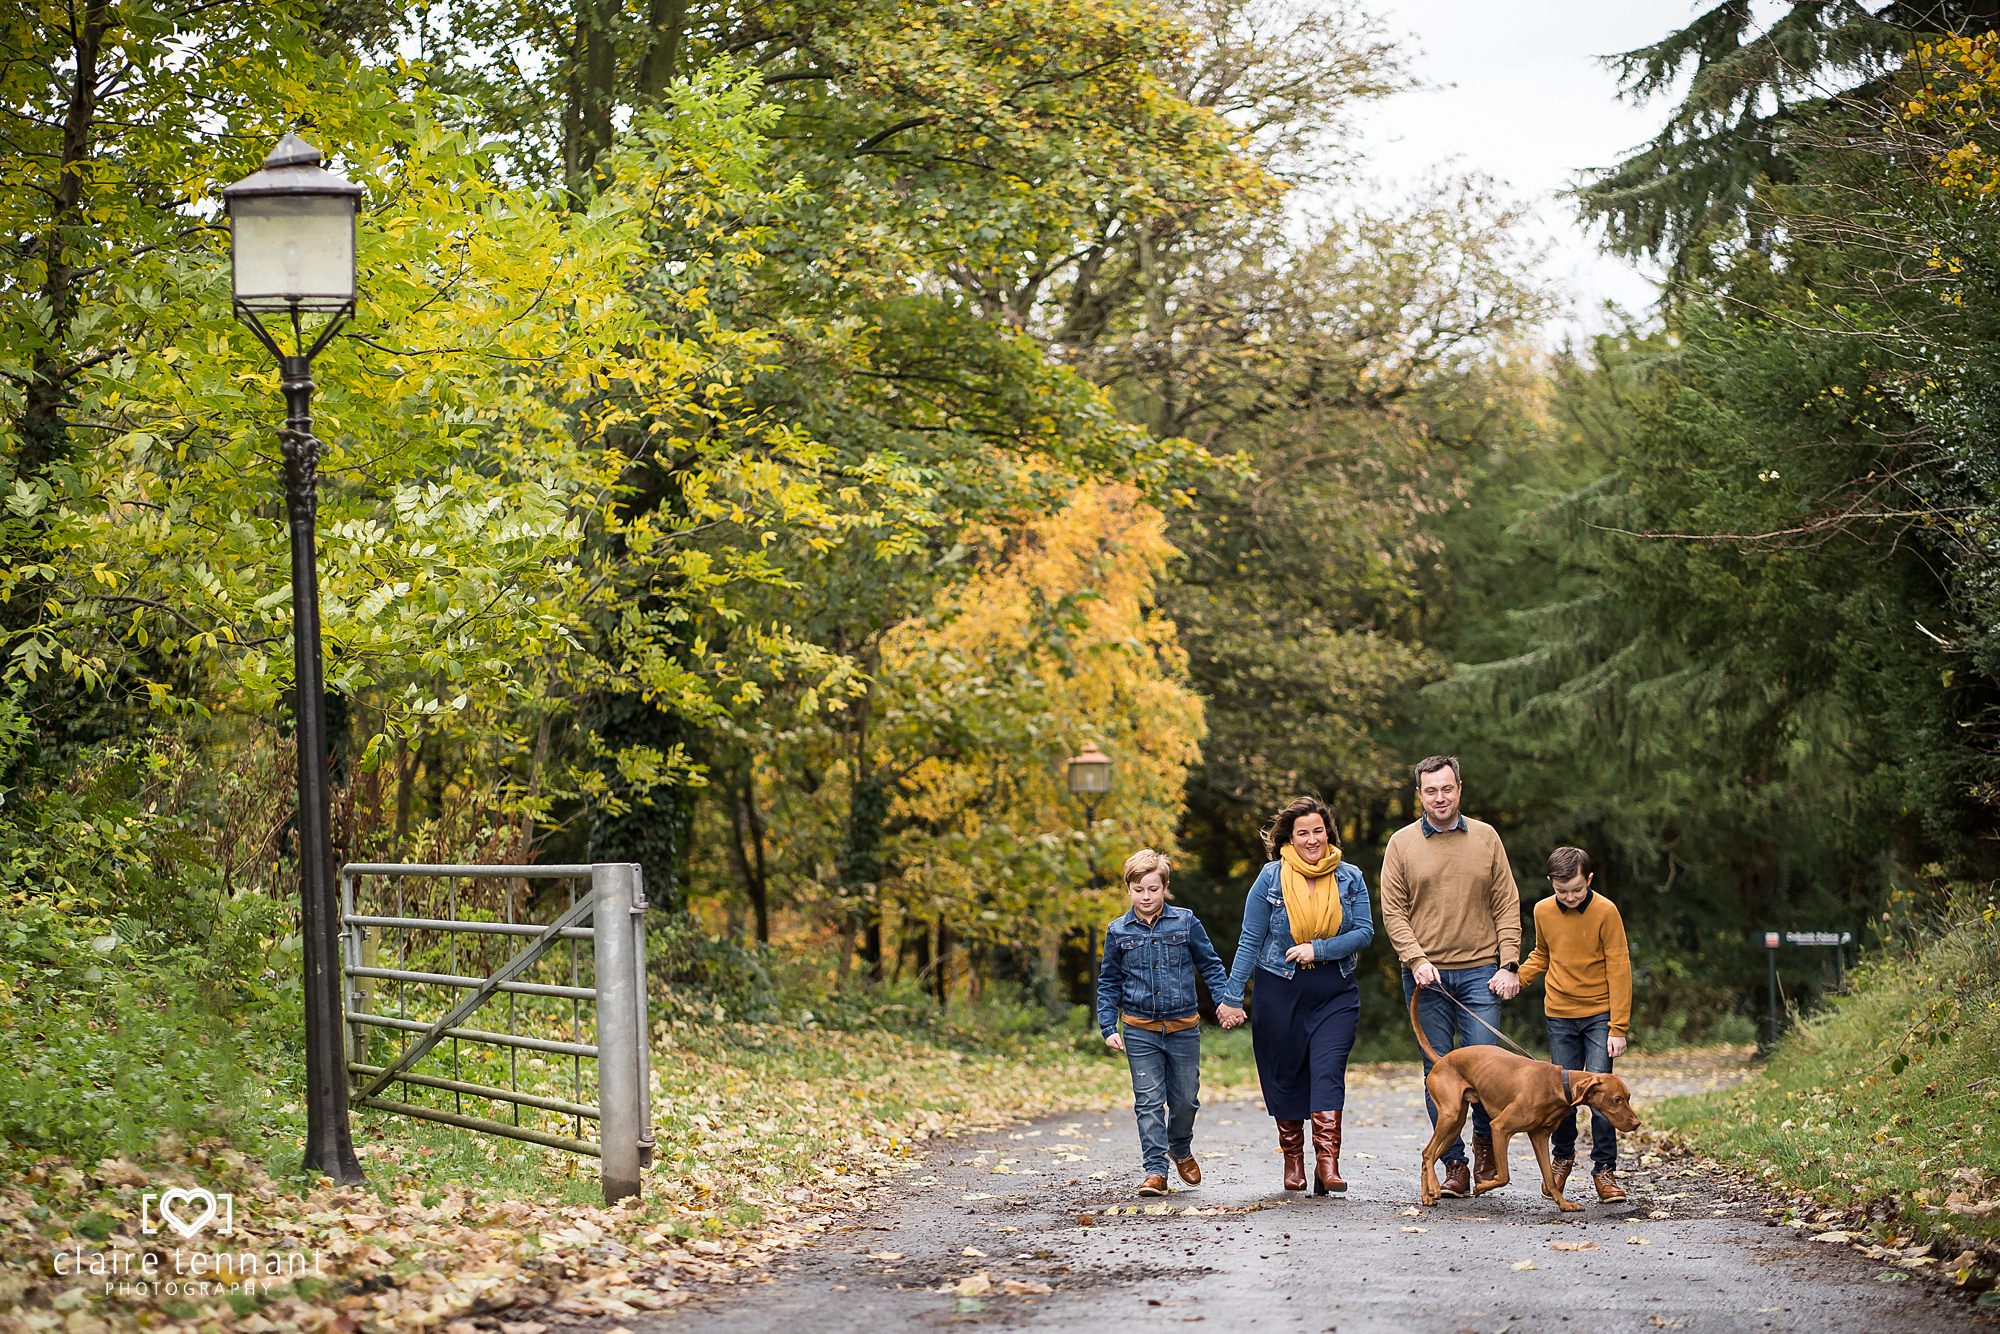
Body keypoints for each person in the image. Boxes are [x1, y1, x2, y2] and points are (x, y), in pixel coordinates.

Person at [1214, 796, 1374, 1194]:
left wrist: (1318, 949)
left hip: (1334, 992)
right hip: (1278, 991)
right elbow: (1250, 939)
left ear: (1328, 833)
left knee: (1327, 1071)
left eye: (1318, 831)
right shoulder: (1270, 878)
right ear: (1290, 836)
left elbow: (1364, 933)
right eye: (1303, 832)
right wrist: (1232, 996)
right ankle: (1293, 1159)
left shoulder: (1350, 876)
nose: (1311, 839)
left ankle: (1328, 1163)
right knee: (1284, 1074)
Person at [1379, 754, 1522, 1199]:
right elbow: (1393, 911)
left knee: (1490, 1071)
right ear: (1419, 795)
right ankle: (1454, 1161)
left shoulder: (1486, 837)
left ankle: (1484, 1151)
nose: (1440, 797)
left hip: (1482, 972)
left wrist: (1509, 962)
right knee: (1438, 1071)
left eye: (1447, 788)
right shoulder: (1401, 844)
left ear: (1460, 788)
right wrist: (1415, 958)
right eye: (1431, 790)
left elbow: (1506, 902)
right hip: (1427, 978)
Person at [1097, 849, 1230, 1195]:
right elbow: (1108, 982)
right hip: (1140, 1029)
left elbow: (1211, 965)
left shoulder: (1185, 922)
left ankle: (1180, 1147)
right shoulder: (1117, 931)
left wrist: (1225, 1001)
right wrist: (1108, 1026)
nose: (1146, 896)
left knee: (1185, 1099)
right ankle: (1156, 1171)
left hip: (1183, 1027)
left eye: (1153, 889)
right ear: (1129, 889)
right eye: (1139, 889)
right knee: (1148, 1101)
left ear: (1165, 888)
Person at [1517, 845, 1633, 1203]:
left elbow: (1619, 965)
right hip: (1560, 1015)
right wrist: (1517, 978)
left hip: (1599, 1014)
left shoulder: (1605, 911)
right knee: (1562, 1095)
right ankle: (1562, 1157)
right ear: (1551, 883)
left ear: (1590, 880)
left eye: (1577, 890)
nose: (1569, 897)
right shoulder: (1542, 910)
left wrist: (1618, 1027)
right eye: (1561, 891)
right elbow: (1543, 953)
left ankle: (1604, 1171)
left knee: (1602, 1097)